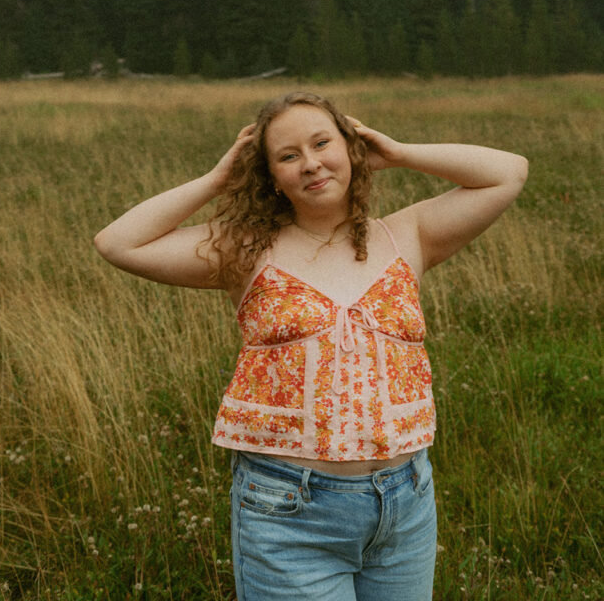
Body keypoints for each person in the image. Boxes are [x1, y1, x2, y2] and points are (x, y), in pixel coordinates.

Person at [93, 90, 528, 600]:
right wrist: (217, 180)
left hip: (404, 502)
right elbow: (118, 242)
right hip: (288, 511)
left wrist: (402, 151)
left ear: (351, 147)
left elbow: (509, 171)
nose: (311, 164)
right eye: (288, 155)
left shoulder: (405, 236)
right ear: (270, 176)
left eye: (323, 143)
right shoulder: (243, 249)